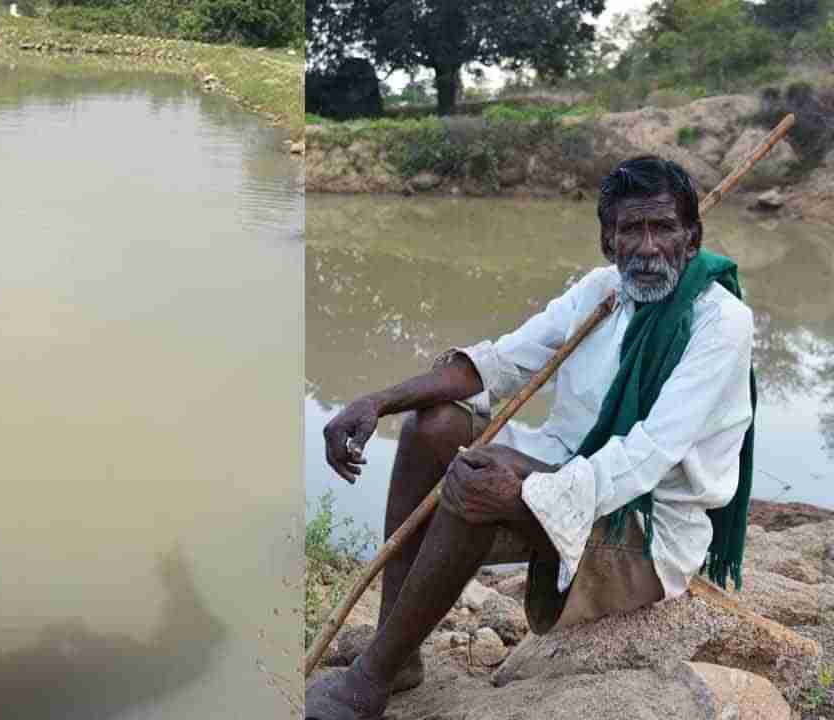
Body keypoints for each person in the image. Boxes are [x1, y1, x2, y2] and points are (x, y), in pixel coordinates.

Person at [306, 156, 756, 720]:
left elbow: (647, 458)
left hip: (642, 525)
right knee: (435, 424)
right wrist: (377, 402)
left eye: (663, 228)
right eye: (629, 230)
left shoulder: (721, 323)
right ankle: (398, 657)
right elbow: (499, 363)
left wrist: (522, 491)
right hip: (568, 469)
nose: (647, 247)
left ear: (692, 240)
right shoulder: (601, 291)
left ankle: (368, 680)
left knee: (475, 485)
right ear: (606, 242)